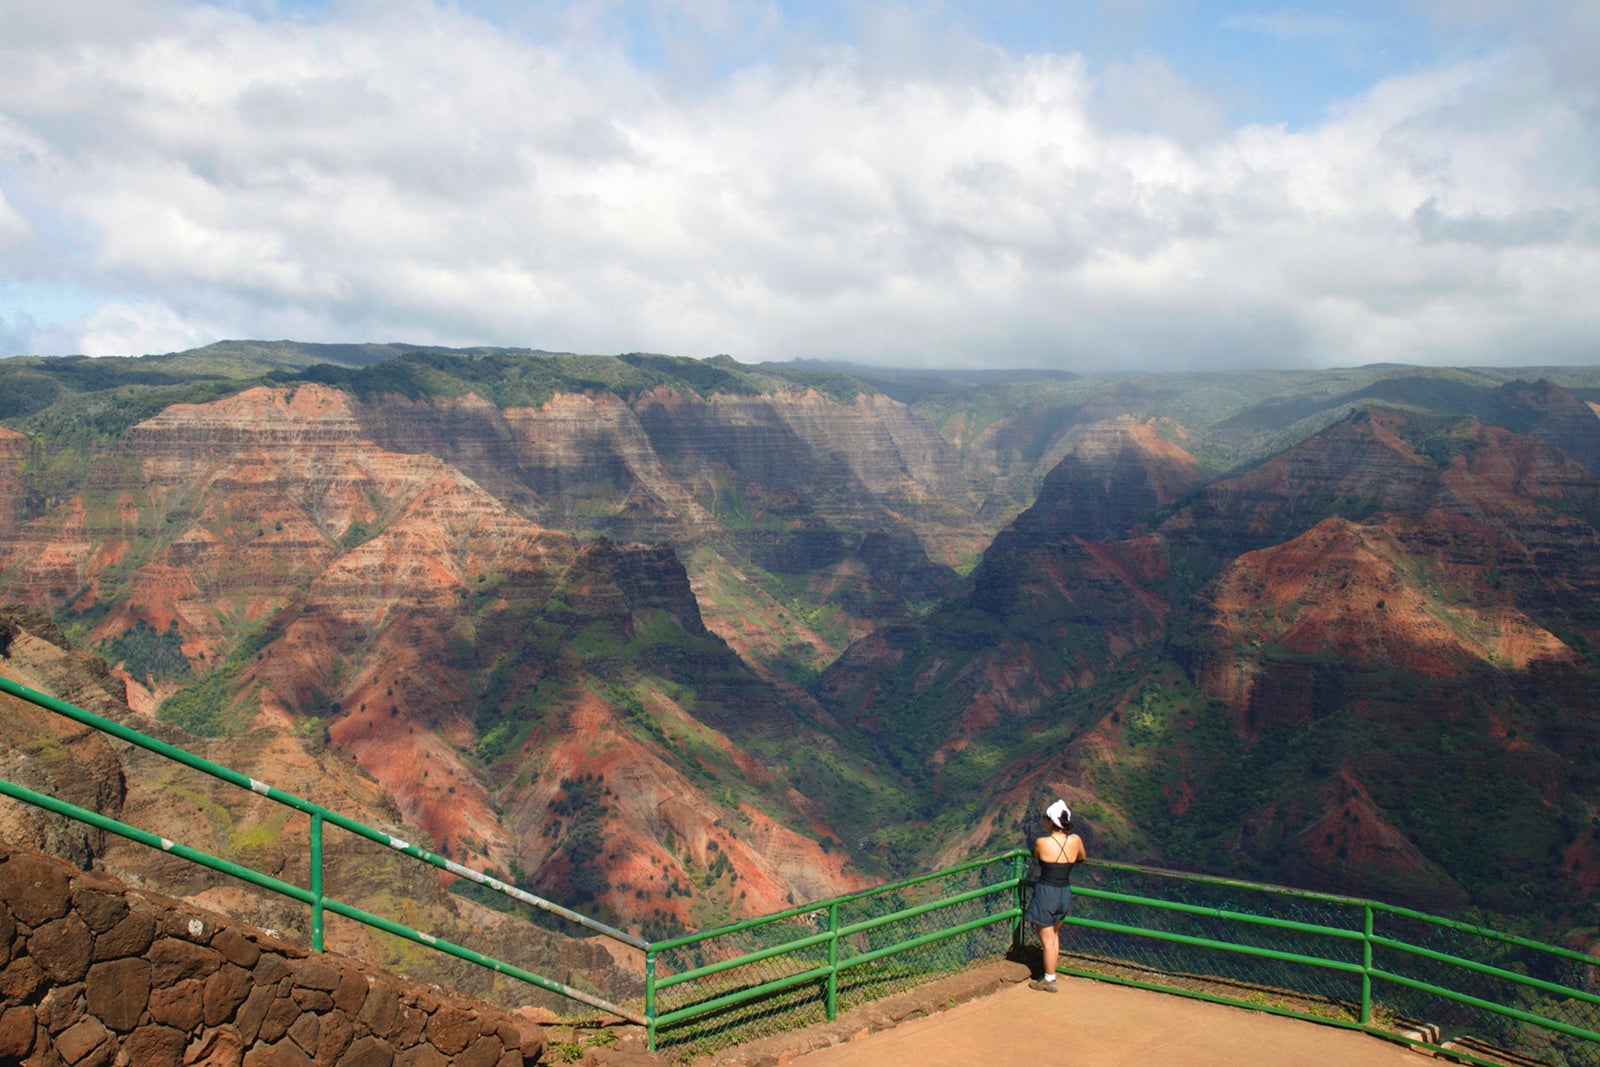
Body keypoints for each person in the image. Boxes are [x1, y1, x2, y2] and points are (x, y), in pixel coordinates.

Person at [1025, 798, 1085, 992]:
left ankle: (1049, 980)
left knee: (1047, 940)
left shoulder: (1042, 842)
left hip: (1046, 892)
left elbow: (1036, 856)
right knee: (1054, 935)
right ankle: (1051, 974)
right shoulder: (1075, 840)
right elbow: (1081, 857)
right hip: (1064, 893)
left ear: (1051, 821)